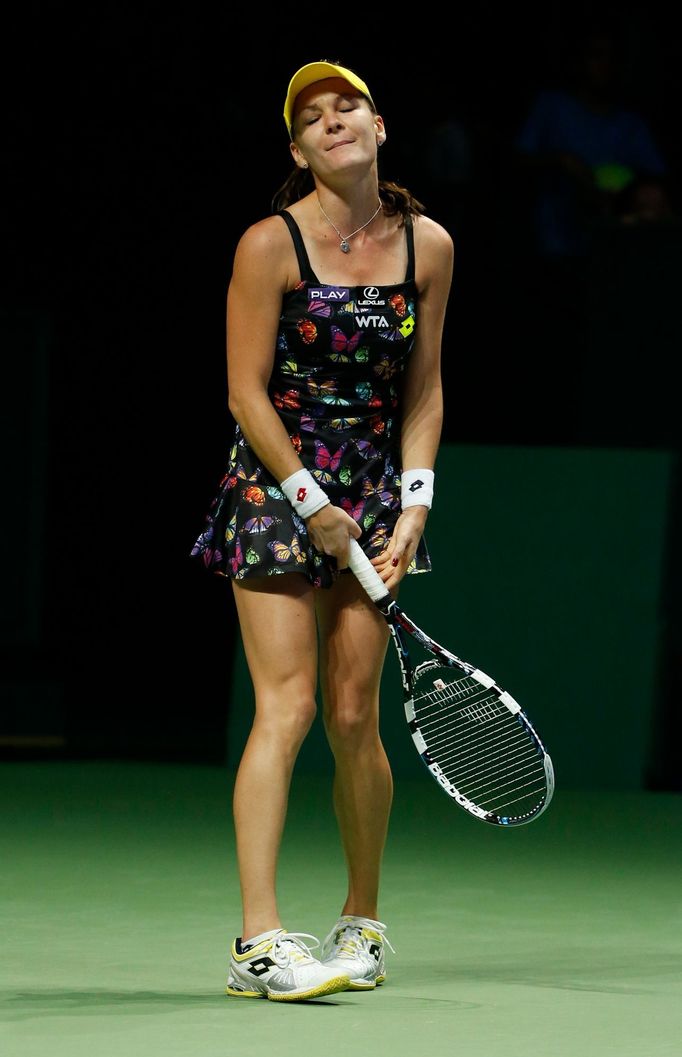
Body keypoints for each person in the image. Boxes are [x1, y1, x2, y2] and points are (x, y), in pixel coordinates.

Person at [190, 60, 453, 1002]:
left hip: (375, 489)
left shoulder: (429, 245)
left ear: (380, 128)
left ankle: (362, 923)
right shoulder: (269, 244)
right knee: (289, 705)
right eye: (313, 117)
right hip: (274, 483)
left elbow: (422, 386)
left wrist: (414, 501)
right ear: (298, 151)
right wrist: (310, 499)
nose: (333, 121)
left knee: (353, 713)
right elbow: (242, 391)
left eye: (348, 107)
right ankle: (259, 940)